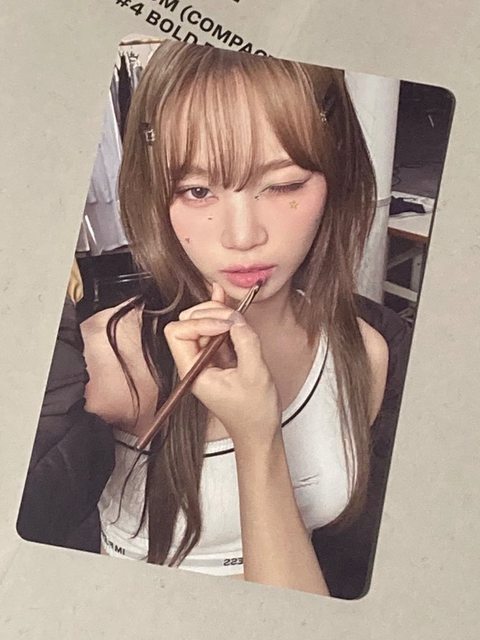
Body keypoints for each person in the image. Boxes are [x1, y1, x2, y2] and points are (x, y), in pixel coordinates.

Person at [28, 41, 394, 596]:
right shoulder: (110, 360)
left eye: (284, 184)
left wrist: (257, 435)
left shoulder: (365, 353)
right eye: (198, 191)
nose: (243, 236)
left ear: (337, 178)